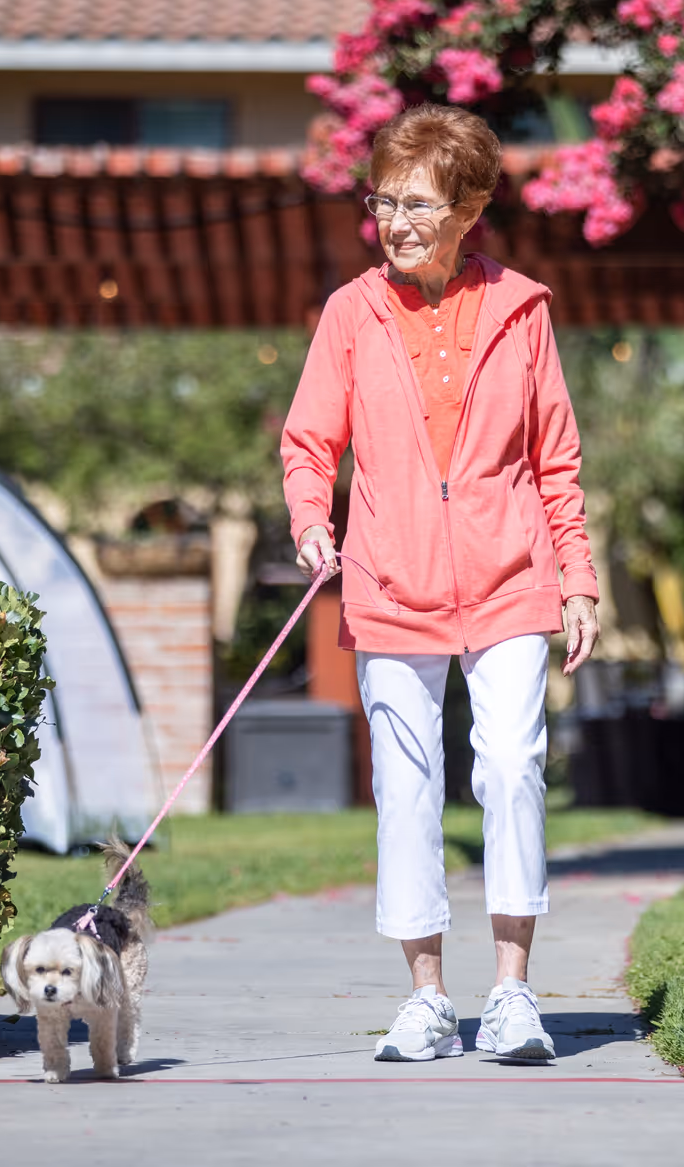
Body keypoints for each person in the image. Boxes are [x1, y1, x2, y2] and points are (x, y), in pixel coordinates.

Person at [281, 104, 601, 1064]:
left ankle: (511, 995)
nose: (396, 221)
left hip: (510, 577)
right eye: (384, 201)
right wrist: (311, 524)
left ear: (468, 209)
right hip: (390, 579)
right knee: (409, 790)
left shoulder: (521, 311)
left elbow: (557, 462)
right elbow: (309, 442)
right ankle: (426, 1000)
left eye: (417, 203)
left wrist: (578, 578)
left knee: (510, 768)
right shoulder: (351, 313)